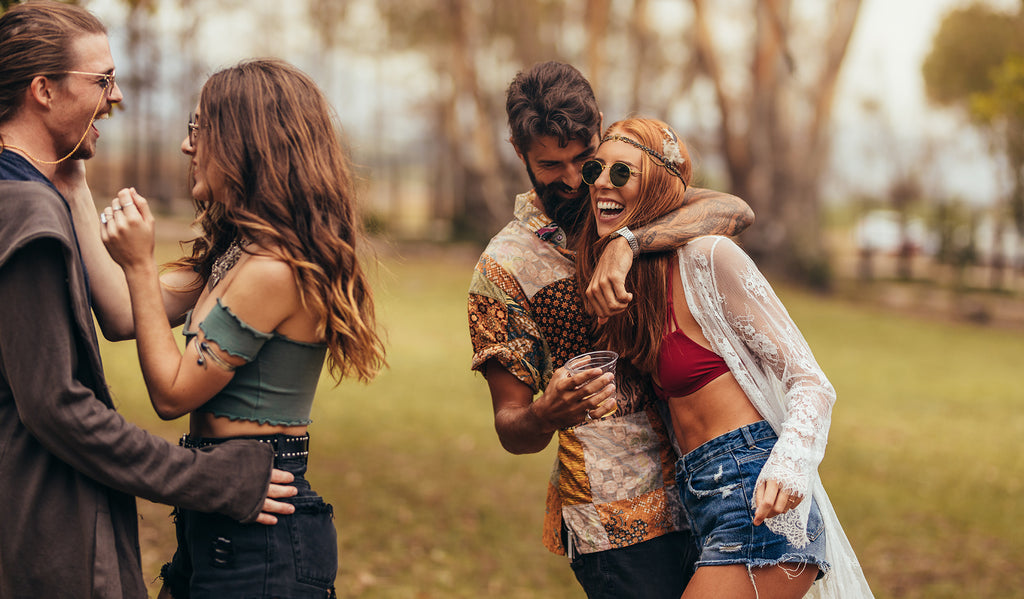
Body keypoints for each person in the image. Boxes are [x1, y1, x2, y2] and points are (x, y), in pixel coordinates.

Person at [0, 2, 295, 597]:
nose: (115, 97)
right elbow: (56, 405)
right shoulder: (25, 209)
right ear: (43, 90)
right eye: (102, 80)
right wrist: (206, 480)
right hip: (44, 527)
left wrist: (70, 179)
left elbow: (123, 316)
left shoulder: (32, 195)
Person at [80, 59, 386, 598]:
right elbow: (123, 315)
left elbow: (172, 394)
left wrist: (137, 263)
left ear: (246, 142)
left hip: (262, 539)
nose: (186, 145)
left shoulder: (272, 271)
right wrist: (70, 174)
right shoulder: (234, 253)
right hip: (219, 513)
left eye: (200, 129)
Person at [467, 61, 754, 598]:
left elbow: (733, 210)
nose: (576, 181)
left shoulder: (630, 202)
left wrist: (629, 243)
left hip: (709, 490)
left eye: (585, 158)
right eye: (551, 165)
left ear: (600, 128)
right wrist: (545, 412)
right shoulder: (502, 268)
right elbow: (510, 427)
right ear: (517, 150)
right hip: (615, 525)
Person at [574, 116, 874, 598]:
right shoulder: (637, 287)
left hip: (755, 502)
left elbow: (810, 380)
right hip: (701, 505)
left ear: (654, 185)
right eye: (595, 170)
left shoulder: (709, 258)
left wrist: (791, 464)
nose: (603, 183)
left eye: (623, 172)